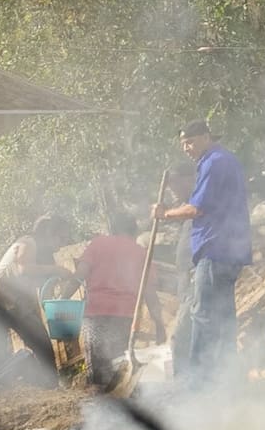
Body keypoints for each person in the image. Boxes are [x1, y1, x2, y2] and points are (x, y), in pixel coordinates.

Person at [153, 119, 252, 384]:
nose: (186, 147)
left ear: (206, 136)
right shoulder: (222, 160)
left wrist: (165, 213)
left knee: (204, 317)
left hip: (215, 248)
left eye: (190, 141)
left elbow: (198, 208)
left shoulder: (214, 161)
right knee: (222, 316)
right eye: (183, 143)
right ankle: (227, 376)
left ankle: (197, 383)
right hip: (229, 250)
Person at [73, 211, 164, 387]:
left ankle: (100, 408)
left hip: (96, 315)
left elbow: (80, 274)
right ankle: (119, 408)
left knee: (98, 373)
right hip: (124, 318)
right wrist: (159, 325)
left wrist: (63, 297)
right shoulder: (141, 253)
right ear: (135, 230)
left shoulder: (98, 244)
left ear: (113, 228)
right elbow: (150, 293)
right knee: (119, 368)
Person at [0, 215, 72, 371]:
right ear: (50, 234)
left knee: (38, 342)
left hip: (14, 301)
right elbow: (23, 269)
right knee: (1, 350)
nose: (62, 244)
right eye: (61, 238)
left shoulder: (46, 257)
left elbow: (46, 294)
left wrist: (59, 313)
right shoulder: (28, 242)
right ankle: (48, 385)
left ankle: (48, 385)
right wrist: (56, 270)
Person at [166, 163, 197, 378]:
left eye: (174, 185)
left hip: (196, 280)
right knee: (186, 335)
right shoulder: (187, 207)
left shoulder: (197, 205)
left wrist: (165, 214)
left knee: (182, 335)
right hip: (186, 281)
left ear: (189, 179)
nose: (172, 191)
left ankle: (183, 385)